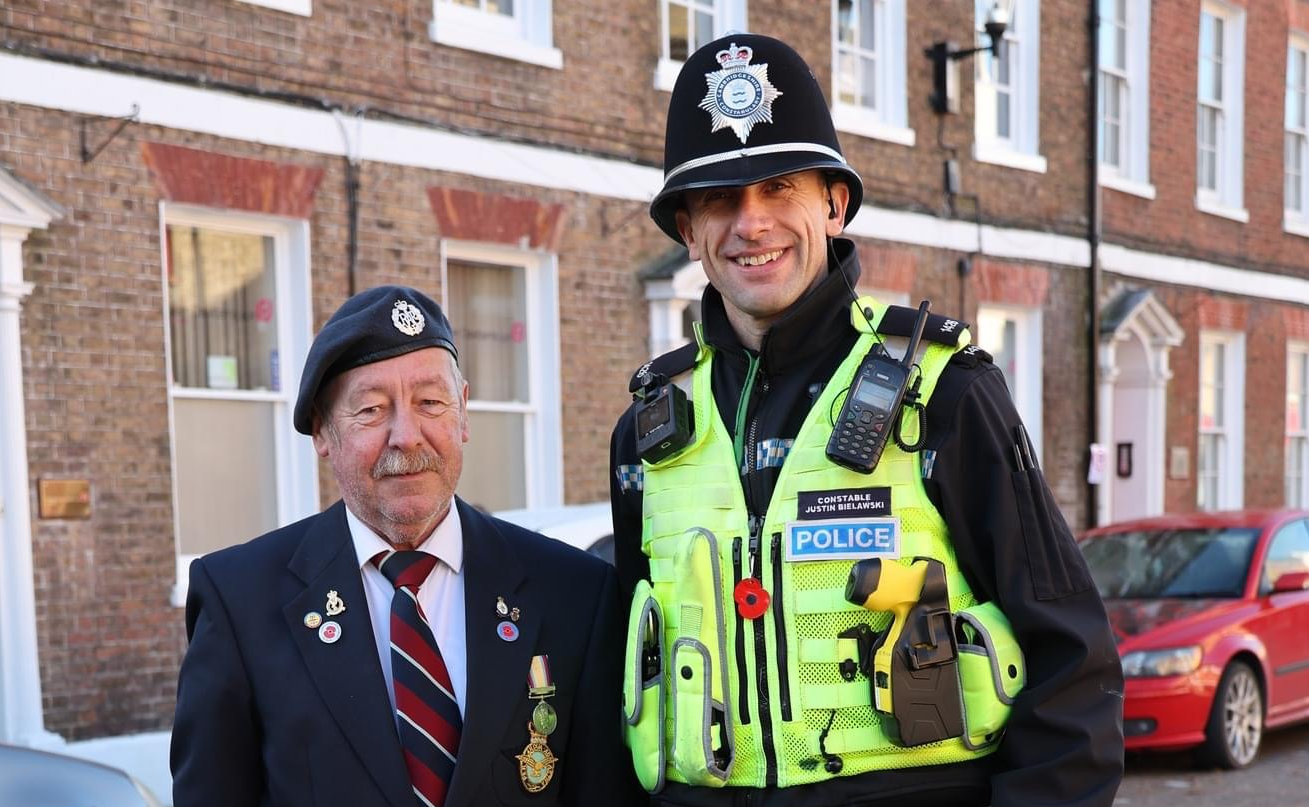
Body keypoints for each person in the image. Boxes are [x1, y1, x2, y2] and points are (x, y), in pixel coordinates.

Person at [610, 33, 1124, 807]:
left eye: (779, 187)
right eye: (719, 198)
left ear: (833, 202)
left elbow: (1071, 667)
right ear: (687, 228)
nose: (750, 224)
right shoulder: (648, 432)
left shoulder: (947, 393)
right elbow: (624, 679)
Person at [173, 285, 636, 807]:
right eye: (371, 409)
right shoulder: (240, 601)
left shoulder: (574, 593)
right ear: (323, 432)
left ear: (462, 412)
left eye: (430, 402)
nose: (406, 436)